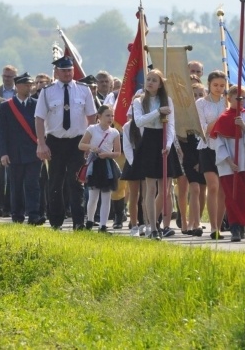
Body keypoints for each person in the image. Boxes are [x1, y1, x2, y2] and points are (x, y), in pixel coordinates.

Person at [35, 56, 96, 230]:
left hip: (77, 142)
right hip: (55, 142)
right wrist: (41, 144)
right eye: (63, 71)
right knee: (55, 183)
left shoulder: (84, 90)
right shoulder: (47, 91)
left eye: (69, 70)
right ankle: (56, 221)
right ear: (56, 72)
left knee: (76, 182)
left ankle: (78, 222)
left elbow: (92, 117)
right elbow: (39, 119)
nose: (67, 73)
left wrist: (89, 142)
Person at [210, 86, 245, 242]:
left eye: (243, 98)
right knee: (232, 196)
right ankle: (235, 228)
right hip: (228, 164)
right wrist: (229, 161)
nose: (241, 101)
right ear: (229, 98)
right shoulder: (223, 118)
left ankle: (242, 226)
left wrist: (244, 127)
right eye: (237, 98)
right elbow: (218, 144)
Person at [128, 69, 176, 240]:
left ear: (160, 84)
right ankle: (153, 227)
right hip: (149, 140)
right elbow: (139, 121)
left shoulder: (167, 100)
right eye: (148, 79)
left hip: (163, 141)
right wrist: (157, 112)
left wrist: (168, 144)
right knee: (150, 188)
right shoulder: (139, 101)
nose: (150, 83)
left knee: (164, 189)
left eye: (154, 80)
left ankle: (154, 221)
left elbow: (171, 125)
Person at [0, 73, 42, 225]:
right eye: (26, 85)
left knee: (32, 184)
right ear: (18, 86)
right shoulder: (6, 106)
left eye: (31, 84)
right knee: (15, 185)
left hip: (33, 150)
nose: (29, 87)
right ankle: (17, 214)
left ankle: (34, 214)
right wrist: (3, 153)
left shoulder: (36, 104)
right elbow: (1, 131)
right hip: (14, 152)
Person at [196, 71, 228, 240]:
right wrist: (222, 117)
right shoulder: (201, 103)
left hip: (224, 148)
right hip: (207, 146)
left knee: (222, 189)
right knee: (213, 186)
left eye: (222, 85)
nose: (219, 88)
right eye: (215, 85)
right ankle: (213, 226)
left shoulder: (227, 102)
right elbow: (204, 129)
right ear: (209, 85)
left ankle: (219, 225)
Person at [79, 105, 122, 233]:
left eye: (112, 115)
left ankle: (103, 225)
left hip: (107, 165)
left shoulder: (114, 132)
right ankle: (90, 220)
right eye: (107, 115)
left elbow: (118, 152)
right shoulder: (92, 129)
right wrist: (92, 147)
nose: (110, 118)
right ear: (99, 116)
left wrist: (108, 154)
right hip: (95, 163)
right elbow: (81, 145)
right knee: (93, 196)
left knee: (106, 196)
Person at [179, 82, 206, 235]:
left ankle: (196, 220)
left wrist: (200, 161)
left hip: (201, 156)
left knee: (200, 189)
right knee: (187, 189)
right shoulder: (185, 114)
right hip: (186, 156)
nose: (197, 98)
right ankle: (186, 221)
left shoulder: (206, 113)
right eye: (194, 95)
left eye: (200, 95)